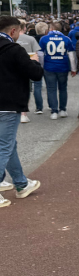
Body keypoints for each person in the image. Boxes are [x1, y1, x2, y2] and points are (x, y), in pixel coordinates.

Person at [0, 16, 43, 208]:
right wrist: (34, 62)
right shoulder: (14, 50)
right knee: (5, 146)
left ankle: (21, 184)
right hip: (9, 103)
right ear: (13, 31)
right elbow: (35, 74)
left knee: (9, 145)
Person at [38, 22, 77, 119]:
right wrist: (73, 68)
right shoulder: (66, 39)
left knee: (51, 89)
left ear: (50, 28)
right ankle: (63, 109)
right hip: (62, 66)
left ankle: (54, 111)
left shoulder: (44, 38)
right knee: (63, 88)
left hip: (49, 66)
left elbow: (40, 54)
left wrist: (42, 66)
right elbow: (72, 55)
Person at [15, 20, 41, 123]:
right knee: (26, 89)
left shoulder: (10, 38)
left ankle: (14, 109)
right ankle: (23, 113)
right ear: (24, 28)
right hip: (27, 66)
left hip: (13, 67)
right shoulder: (30, 39)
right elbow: (36, 54)